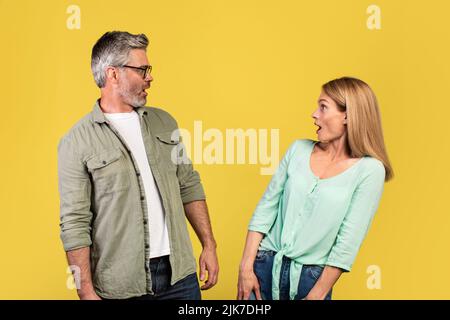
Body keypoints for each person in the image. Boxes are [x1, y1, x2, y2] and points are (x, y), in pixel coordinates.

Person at [58, 31, 218, 300]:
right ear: (113, 74)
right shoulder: (76, 141)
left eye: (148, 69)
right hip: (121, 285)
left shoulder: (165, 123)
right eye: (142, 69)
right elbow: (74, 223)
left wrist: (209, 245)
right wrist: (85, 291)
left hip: (180, 276)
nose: (150, 76)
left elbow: (188, 185)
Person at [237, 77, 393, 300]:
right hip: (263, 268)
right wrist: (246, 268)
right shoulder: (298, 150)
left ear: (348, 115)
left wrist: (317, 295)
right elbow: (265, 208)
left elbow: (347, 241)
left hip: (311, 283)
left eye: (323, 107)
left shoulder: (369, 171)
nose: (314, 114)